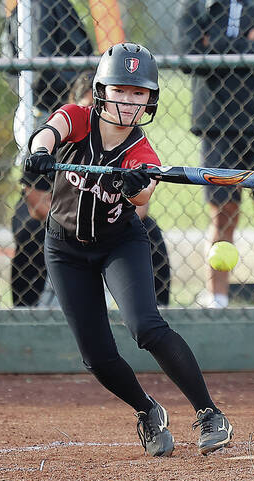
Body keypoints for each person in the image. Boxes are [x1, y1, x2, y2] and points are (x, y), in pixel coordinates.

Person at [24, 43, 233, 456]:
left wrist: (135, 185)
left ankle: (210, 413)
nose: (128, 101)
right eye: (120, 90)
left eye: (139, 93)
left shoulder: (141, 151)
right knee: (97, 356)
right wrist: (40, 152)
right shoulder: (78, 118)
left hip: (120, 244)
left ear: (150, 100)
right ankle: (147, 411)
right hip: (64, 249)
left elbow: (144, 193)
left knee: (146, 328)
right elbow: (51, 131)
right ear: (102, 91)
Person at [15, 72, 172, 306]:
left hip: (110, 224)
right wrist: (77, 228)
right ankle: (26, 311)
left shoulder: (130, 143)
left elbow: (142, 205)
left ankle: (156, 307)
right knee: (30, 231)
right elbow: (37, 203)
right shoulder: (61, 132)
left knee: (148, 231)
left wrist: (106, 220)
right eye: (92, 106)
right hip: (60, 220)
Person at [177, 0, 254, 308]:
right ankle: (217, 298)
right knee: (222, 216)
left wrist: (216, 44)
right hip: (217, 123)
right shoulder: (197, 5)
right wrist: (249, 42)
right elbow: (189, 57)